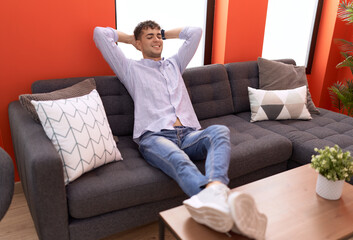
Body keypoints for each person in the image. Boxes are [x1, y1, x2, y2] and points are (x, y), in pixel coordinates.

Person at [93, 20, 267, 239]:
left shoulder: (175, 64)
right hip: (154, 136)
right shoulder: (129, 69)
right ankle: (227, 209)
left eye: (158, 35)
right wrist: (131, 39)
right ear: (138, 44)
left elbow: (195, 32)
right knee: (179, 159)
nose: (156, 39)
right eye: (150, 37)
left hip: (188, 134)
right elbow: (100, 34)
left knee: (220, 131)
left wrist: (164, 34)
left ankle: (215, 192)